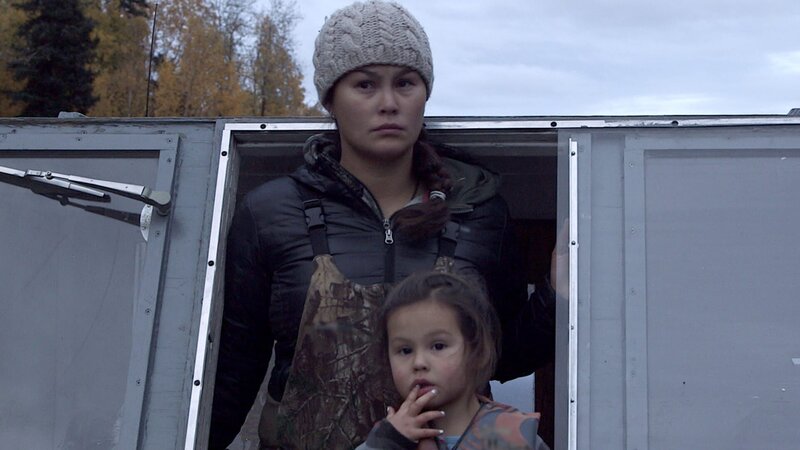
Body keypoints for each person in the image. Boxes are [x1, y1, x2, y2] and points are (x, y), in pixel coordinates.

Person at [209, 1, 558, 449]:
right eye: (366, 84)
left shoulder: (480, 212)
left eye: (405, 83)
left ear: (424, 94)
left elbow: (502, 356)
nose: (389, 103)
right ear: (331, 98)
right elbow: (233, 372)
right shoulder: (271, 213)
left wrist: (557, 295)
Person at [356, 271, 550, 450]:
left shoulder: (514, 437)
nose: (419, 362)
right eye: (405, 350)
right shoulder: (390, 437)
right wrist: (386, 442)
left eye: (438, 346)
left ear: (478, 352)